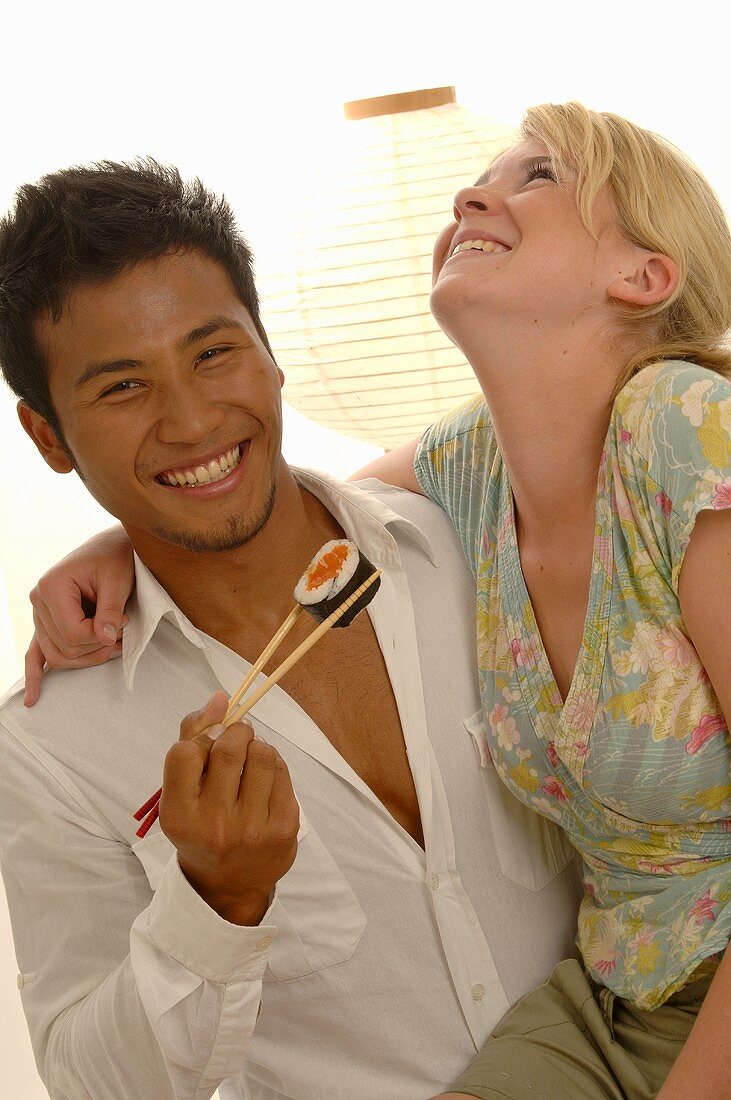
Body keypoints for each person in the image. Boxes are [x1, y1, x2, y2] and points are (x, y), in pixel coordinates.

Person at [29, 103, 731, 1099]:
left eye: (536, 174)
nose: (472, 193)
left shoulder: (683, 429)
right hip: (611, 991)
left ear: (642, 276)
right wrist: (121, 545)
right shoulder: (467, 472)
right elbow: (277, 504)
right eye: (121, 389)